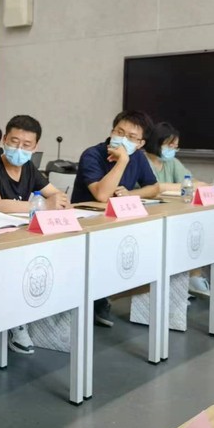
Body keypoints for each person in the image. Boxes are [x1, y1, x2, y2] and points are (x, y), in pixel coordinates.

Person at [0, 114, 70, 353]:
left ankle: (34, 315)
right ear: (4, 139)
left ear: (35, 147)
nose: (19, 149)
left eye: (26, 145)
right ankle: (15, 322)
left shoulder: (29, 168)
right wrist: (43, 205)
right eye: (14, 142)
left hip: (14, 238)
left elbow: (57, 196)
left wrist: (56, 201)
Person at [71, 110, 160, 327]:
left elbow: (154, 187)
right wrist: (122, 161)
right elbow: (102, 195)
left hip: (116, 222)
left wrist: (132, 194)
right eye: (120, 132)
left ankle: (102, 297)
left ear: (140, 143)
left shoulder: (138, 157)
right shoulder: (92, 154)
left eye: (131, 137)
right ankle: (94, 300)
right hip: (86, 225)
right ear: (112, 132)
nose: (123, 139)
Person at [143, 122, 210, 297]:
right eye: (169, 145)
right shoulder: (141, 160)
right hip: (148, 216)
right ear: (157, 142)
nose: (172, 150)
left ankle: (190, 278)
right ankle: (180, 283)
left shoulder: (171, 161)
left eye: (175, 147)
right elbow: (155, 188)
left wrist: (201, 185)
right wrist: (180, 186)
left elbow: (191, 182)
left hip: (170, 212)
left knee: (194, 229)